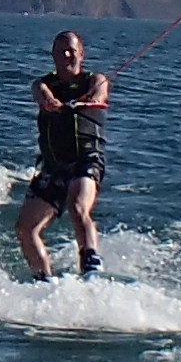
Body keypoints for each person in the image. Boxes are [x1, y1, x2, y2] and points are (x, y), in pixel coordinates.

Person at [16, 29, 109, 280]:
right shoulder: (42, 83)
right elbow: (41, 93)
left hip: (86, 161)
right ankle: (44, 280)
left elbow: (101, 94)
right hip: (54, 166)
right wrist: (50, 102)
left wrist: (87, 102)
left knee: (78, 206)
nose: (67, 55)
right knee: (26, 229)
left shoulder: (95, 80)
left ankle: (91, 267)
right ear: (54, 56)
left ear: (82, 54)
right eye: (61, 51)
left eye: (72, 50)